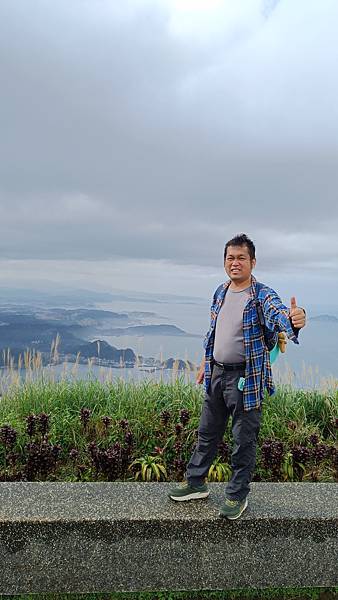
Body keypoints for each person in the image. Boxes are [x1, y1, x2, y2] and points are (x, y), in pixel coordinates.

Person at [168, 233, 306, 519]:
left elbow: (279, 315)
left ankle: (236, 496)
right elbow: (215, 333)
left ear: (252, 262)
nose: (235, 263)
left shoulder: (262, 295)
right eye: (230, 258)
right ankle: (196, 482)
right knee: (207, 433)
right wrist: (208, 363)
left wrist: (295, 318)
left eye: (241, 257)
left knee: (243, 439)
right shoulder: (220, 291)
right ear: (224, 262)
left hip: (247, 379)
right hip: (217, 373)